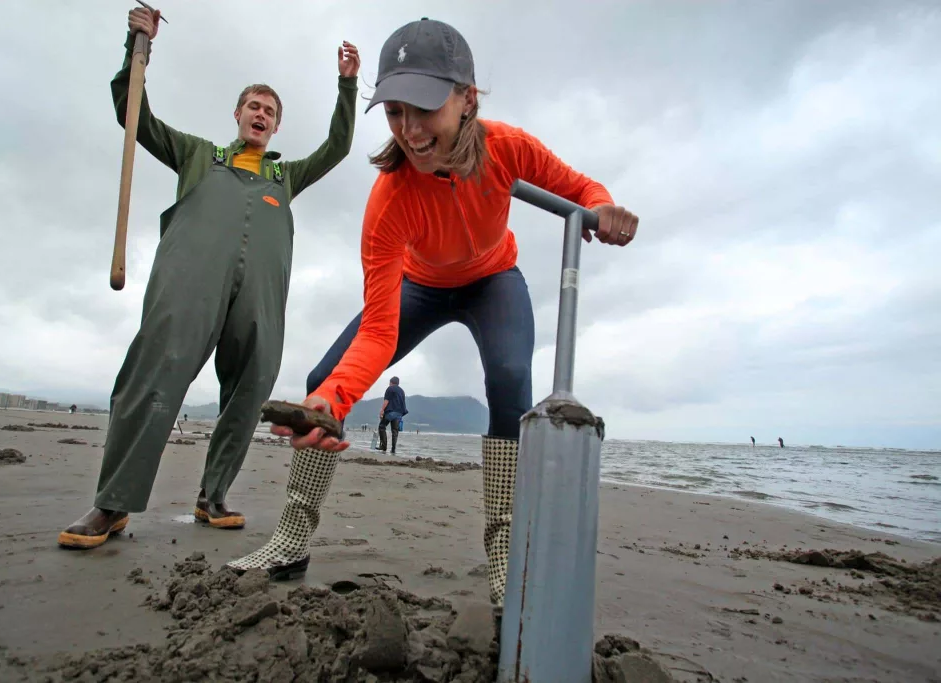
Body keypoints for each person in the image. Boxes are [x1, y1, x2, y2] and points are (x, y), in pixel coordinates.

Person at [225, 17, 638, 609]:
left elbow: (580, 188)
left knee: (509, 380)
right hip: (419, 285)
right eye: (394, 111)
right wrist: (335, 401)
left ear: (467, 99)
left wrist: (604, 210)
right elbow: (377, 329)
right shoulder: (390, 198)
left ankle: (503, 550)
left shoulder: (508, 148)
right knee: (323, 380)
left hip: (493, 279)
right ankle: (291, 540)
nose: (411, 131)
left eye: (424, 108)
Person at [57, 6, 361, 550]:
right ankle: (112, 503)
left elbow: (336, 149)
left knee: (251, 389)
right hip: (190, 282)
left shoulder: (284, 176)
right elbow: (136, 116)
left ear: (276, 124)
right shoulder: (198, 155)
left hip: (260, 297)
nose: (260, 113)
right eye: (253, 105)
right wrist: (137, 47)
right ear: (238, 113)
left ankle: (212, 495)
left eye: (269, 109)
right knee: (155, 372)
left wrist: (347, 86)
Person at [377, 376, 407, 454]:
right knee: (395, 431)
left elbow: (386, 401)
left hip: (390, 412)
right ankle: (393, 449)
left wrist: (382, 410)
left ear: (391, 382)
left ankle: (384, 447)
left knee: (382, 427)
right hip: (399, 413)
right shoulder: (402, 391)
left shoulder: (390, 388)